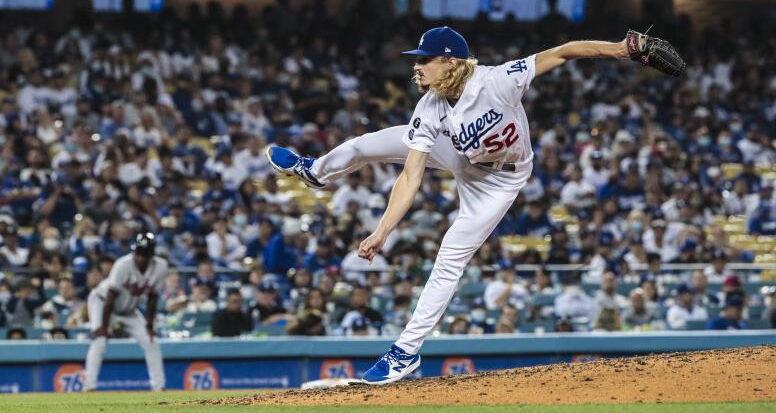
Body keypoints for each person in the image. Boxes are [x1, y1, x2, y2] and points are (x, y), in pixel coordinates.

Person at [266, 26, 635, 384]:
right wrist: (382, 232)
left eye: (424, 59)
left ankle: (405, 351)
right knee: (365, 145)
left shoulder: (498, 79)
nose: (416, 66)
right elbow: (410, 176)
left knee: (450, 257)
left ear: (450, 61)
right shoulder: (429, 107)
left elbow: (565, 50)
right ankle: (313, 171)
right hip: (460, 156)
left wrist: (619, 49)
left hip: (499, 181)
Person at [83, 232, 168, 392]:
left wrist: (150, 324)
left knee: (151, 341)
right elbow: (110, 297)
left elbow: (152, 298)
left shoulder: (161, 266)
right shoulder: (123, 264)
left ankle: (159, 387)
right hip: (103, 303)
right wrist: (104, 326)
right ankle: (89, 386)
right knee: (99, 340)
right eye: (139, 253)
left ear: (152, 254)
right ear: (134, 251)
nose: (141, 257)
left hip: (129, 310)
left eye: (145, 254)